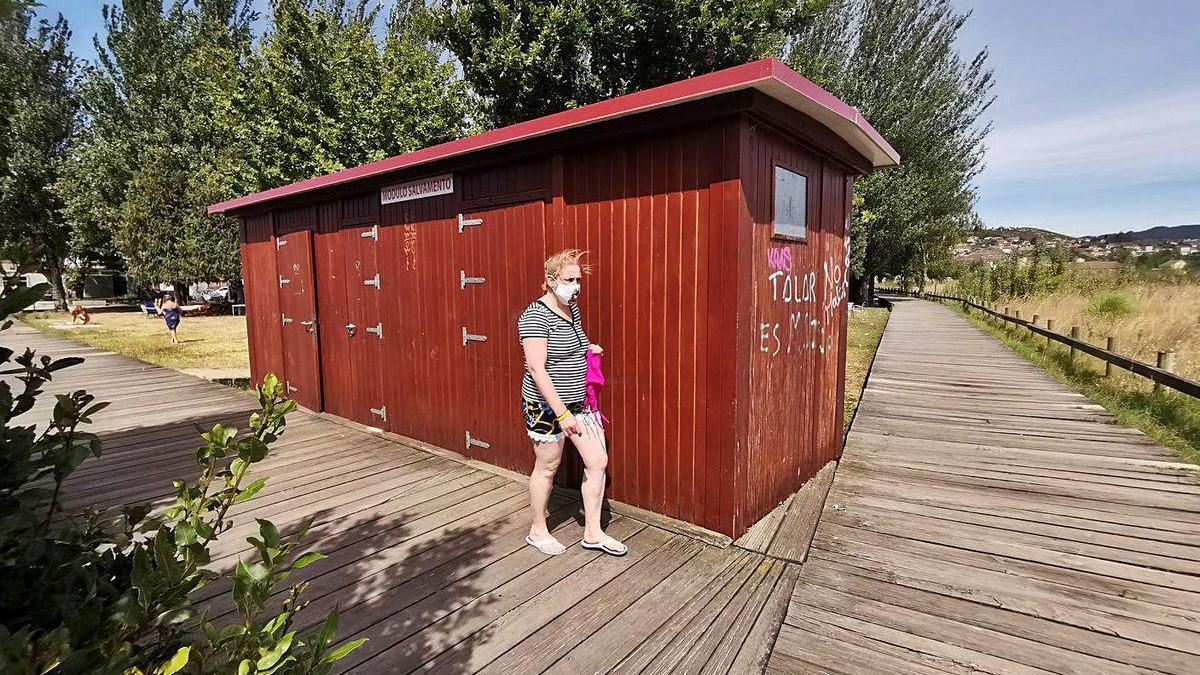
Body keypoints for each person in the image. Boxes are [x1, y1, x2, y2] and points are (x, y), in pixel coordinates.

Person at [518, 249, 627, 557]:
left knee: (597, 462)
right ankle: (537, 530)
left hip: (580, 401)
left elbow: (569, 344)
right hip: (546, 407)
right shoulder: (535, 317)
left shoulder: (572, 308)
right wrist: (563, 414)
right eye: (569, 280)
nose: (576, 286)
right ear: (551, 280)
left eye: (579, 280)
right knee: (548, 466)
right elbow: (537, 369)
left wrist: (587, 349)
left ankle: (593, 533)